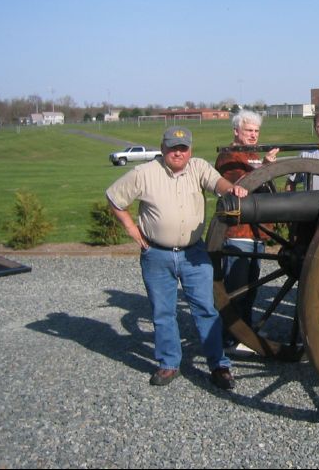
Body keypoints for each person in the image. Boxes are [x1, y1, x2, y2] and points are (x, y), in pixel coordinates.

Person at [106, 126, 247, 390]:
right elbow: (114, 197)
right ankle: (169, 364)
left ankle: (219, 365)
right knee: (163, 312)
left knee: (206, 310)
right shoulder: (144, 173)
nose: (178, 153)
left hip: (194, 254)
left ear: (190, 150)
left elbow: (218, 183)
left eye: (183, 148)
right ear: (163, 148)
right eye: (173, 147)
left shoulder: (198, 167)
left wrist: (232, 190)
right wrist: (131, 229)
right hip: (156, 254)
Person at [214, 110, 279, 354]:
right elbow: (239, 185)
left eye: (256, 131)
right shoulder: (227, 156)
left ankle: (247, 330)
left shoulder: (252, 155)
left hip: (256, 231)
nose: (253, 135)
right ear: (236, 132)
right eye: (248, 130)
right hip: (237, 230)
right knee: (237, 287)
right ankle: (230, 339)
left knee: (251, 286)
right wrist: (263, 167)